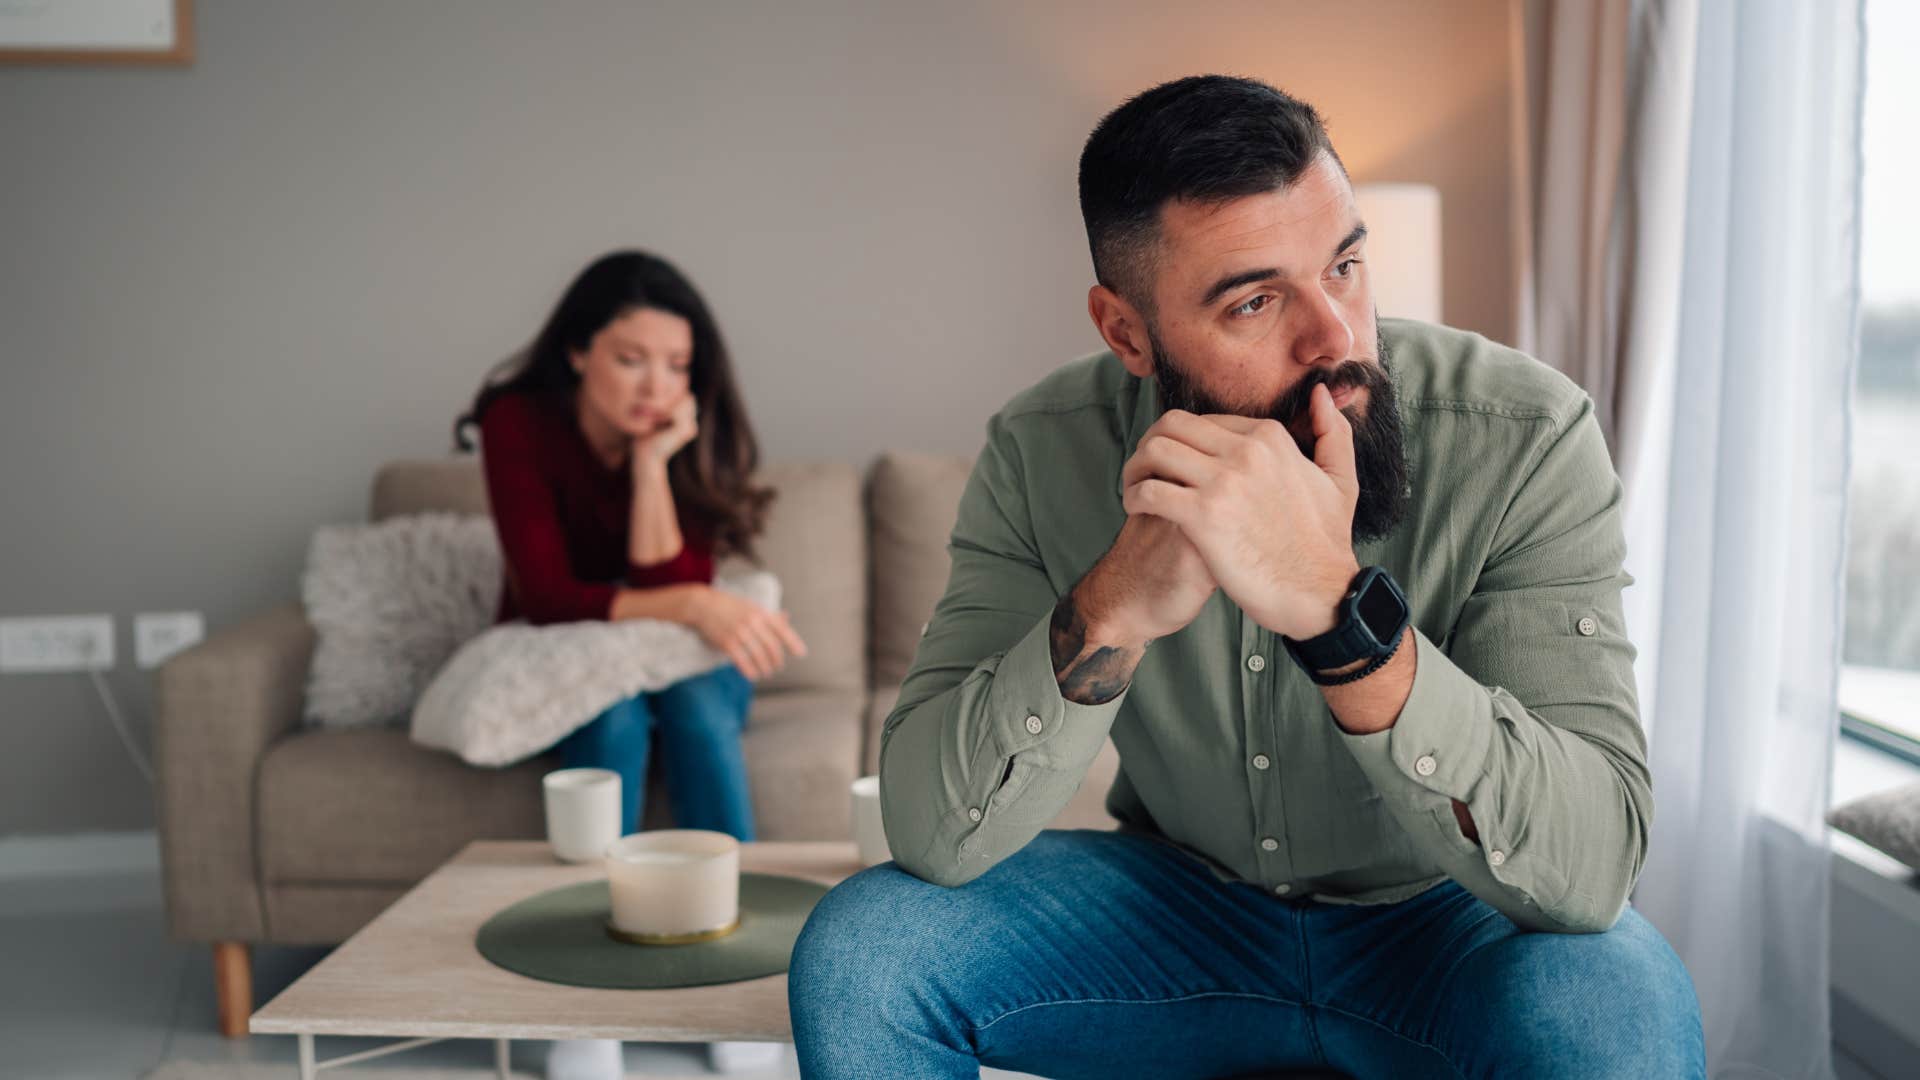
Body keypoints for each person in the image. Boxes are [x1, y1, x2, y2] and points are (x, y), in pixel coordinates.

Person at [786, 76, 1706, 1078]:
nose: (1338, 338)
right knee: (865, 952)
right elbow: (930, 835)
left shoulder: (1526, 434)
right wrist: (1111, 609)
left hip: (1445, 926)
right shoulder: (1038, 448)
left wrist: (1338, 615)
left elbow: (1592, 869)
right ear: (1127, 332)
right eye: (1256, 301)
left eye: (1345, 266)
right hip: (1174, 920)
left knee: (1616, 998)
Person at [455, 249, 804, 1079]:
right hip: (577, 648)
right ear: (578, 350)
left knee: (688, 706)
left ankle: (741, 986)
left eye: (676, 365)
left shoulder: (689, 426)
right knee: (613, 713)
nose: (657, 385)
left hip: (685, 660)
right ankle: (585, 1004)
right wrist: (691, 605)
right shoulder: (517, 420)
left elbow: (667, 579)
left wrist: (654, 463)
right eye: (630, 359)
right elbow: (544, 592)